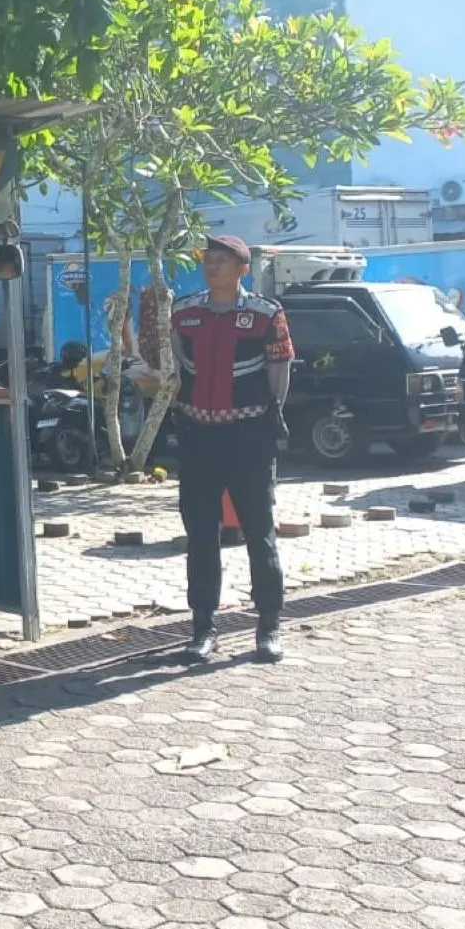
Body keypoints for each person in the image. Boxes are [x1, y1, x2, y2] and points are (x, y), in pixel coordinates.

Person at [172, 234, 295, 664]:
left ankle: (269, 626)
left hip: (249, 437)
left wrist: (267, 417)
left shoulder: (266, 314)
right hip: (198, 438)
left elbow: (279, 372)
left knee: (259, 531)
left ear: (243, 269)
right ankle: (203, 629)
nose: (212, 266)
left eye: (222, 261)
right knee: (201, 534)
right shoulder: (184, 312)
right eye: (208, 260)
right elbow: (175, 365)